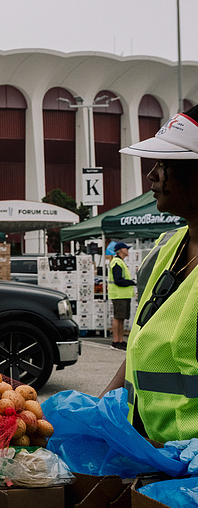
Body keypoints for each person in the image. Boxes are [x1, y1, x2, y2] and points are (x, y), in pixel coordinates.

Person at [101, 106, 198, 443]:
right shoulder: (166, 249)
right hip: (153, 452)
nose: (151, 176)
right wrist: (102, 412)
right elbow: (140, 349)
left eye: (165, 165)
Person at [107, 242, 135, 351]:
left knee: (121, 318)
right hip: (119, 294)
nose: (127, 250)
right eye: (126, 248)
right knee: (118, 318)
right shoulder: (117, 262)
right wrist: (130, 282)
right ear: (121, 250)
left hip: (122, 294)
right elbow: (118, 280)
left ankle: (120, 340)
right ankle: (115, 341)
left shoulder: (119, 262)